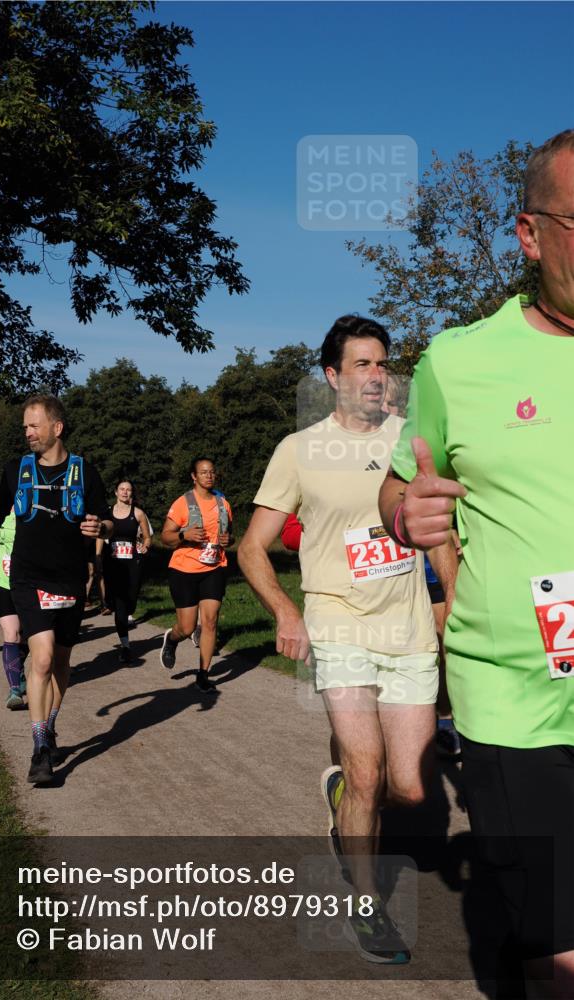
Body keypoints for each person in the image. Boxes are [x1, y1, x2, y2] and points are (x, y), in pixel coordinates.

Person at [378, 130, 574, 996]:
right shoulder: (459, 363)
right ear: (530, 235)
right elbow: (398, 487)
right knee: (559, 951)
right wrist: (406, 509)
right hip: (519, 696)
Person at [238, 314, 451, 965]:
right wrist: (284, 609)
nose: (376, 375)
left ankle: (344, 796)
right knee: (367, 769)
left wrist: (455, 606)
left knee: (411, 788)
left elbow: (443, 530)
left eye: (382, 363)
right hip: (336, 621)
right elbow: (252, 547)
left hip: (409, 625)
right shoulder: (299, 450)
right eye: (361, 364)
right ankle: (366, 903)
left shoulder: (414, 442)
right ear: (332, 376)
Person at [0, 393, 112, 785]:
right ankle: (39, 749)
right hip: (28, 577)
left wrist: (101, 528)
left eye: (34, 425)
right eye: (25, 427)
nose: (27, 432)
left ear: (57, 427)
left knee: (63, 662)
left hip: (69, 578)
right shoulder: (17, 469)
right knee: (43, 658)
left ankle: (49, 724)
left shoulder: (85, 472)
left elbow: (106, 519)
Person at [160, 458, 234, 693]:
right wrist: (185, 535)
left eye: (211, 472)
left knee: (210, 621)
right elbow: (165, 537)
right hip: (184, 570)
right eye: (203, 473)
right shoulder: (182, 503)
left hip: (214, 567)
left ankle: (203, 674)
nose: (208, 476)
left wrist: (228, 540)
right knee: (187, 628)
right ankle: (172, 639)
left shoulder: (224, 504)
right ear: (194, 476)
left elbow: (230, 535)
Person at [103, 480, 152, 663]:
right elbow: (101, 535)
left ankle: (125, 611)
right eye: (122, 489)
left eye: (128, 490)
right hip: (113, 564)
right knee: (119, 605)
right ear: (116, 492)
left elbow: (147, 538)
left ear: (132, 493)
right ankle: (125, 646)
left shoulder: (138, 513)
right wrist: (99, 555)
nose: (125, 492)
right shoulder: (107, 513)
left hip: (133, 563)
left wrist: (145, 546)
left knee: (130, 600)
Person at [0, 509, 28, 710]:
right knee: (11, 633)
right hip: (0, 579)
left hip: (29, 582)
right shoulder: (0, 507)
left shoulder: (35, 507)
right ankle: (14, 690)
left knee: (28, 635)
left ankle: (18, 670)